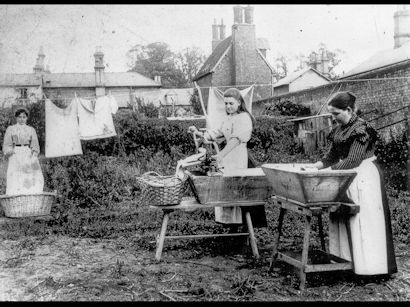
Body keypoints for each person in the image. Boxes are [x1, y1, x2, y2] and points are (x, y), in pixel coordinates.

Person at [310, 91, 397, 277]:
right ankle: (345, 263)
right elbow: (331, 156)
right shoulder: (339, 130)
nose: (333, 119)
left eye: (336, 114)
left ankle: (371, 268)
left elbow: (353, 160)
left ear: (348, 110)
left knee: (363, 220)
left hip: (363, 176)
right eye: (331, 114)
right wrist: (314, 167)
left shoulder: (361, 130)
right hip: (344, 175)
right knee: (342, 215)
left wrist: (327, 173)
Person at [189, 88, 267, 228]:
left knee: (239, 192)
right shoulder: (229, 118)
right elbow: (216, 133)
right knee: (228, 191)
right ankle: (232, 227)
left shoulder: (244, 118)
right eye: (225, 103)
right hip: (227, 159)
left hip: (239, 159)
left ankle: (244, 230)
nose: (228, 106)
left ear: (239, 102)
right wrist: (198, 133)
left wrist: (220, 155)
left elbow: (235, 140)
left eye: (231, 103)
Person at [2, 106, 44, 195]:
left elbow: (35, 144)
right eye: (19, 117)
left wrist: (34, 153)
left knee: (29, 174)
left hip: (27, 153)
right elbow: (7, 144)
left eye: (24, 117)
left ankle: (30, 197)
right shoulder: (11, 129)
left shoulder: (31, 129)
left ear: (27, 118)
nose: (22, 119)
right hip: (16, 153)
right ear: (16, 118)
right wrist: (10, 151)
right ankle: (16, 198)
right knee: (16, 175)